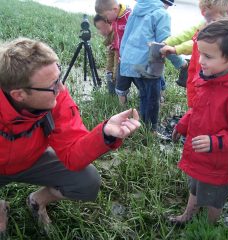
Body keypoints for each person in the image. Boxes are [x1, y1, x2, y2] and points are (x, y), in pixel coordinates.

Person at [0, 37, 141, 235]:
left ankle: (37, 201)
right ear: (19, 95)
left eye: (59, 77)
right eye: (53, 84)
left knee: (87, 181)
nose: (62, 89)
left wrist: (105, 133)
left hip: (32, 159)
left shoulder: (57, 97)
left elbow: (73, 154)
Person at [170, 18, 228, 225]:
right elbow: (198, 109)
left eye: (208, 56)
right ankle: (187, 215)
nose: (200, 60)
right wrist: (183, 124)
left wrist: (215, 142)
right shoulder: (208, 78)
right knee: (195, 186)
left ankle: (208, 226)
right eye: (200, 53)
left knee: (213, 198)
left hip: (218, 161)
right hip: (199, 154)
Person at [161, 0, 228, 105]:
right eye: (206, 19)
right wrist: (192, 101)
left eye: (212, 20)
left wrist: (176, 49)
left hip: (221, 103)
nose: (208, 25)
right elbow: (191, 38)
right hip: (200, 96)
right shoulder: (207, 25)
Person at [117, 0, 172, 131]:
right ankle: (150, 129)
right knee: (153, 98)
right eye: (168, 4)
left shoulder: (135, 11)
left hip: (131, 61)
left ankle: (142, 123)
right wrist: (180, 63)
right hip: (149, 64)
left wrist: (123, 56)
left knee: (144, 94)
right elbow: (165, 42)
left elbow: (125, 37)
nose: (168, 8)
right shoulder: (162, 14)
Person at [95, 0, 131, 103]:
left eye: (100, 28)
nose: (100, 32)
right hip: (120, 56)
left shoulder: (127, 16)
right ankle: (116, 98)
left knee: (122, 79)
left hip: (127, 57)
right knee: (113, 77)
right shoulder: (115, 19)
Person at [93, 14, 117, 94]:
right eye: (98, 29)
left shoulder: (116, 35)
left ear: (109, 22)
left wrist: (114, 74)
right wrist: (109, 71)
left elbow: (116, 57)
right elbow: (110, 57)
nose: (100, 31)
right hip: (119, 66)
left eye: (100, 28)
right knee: (109, 75)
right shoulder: (110, 37)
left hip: (125, 65)